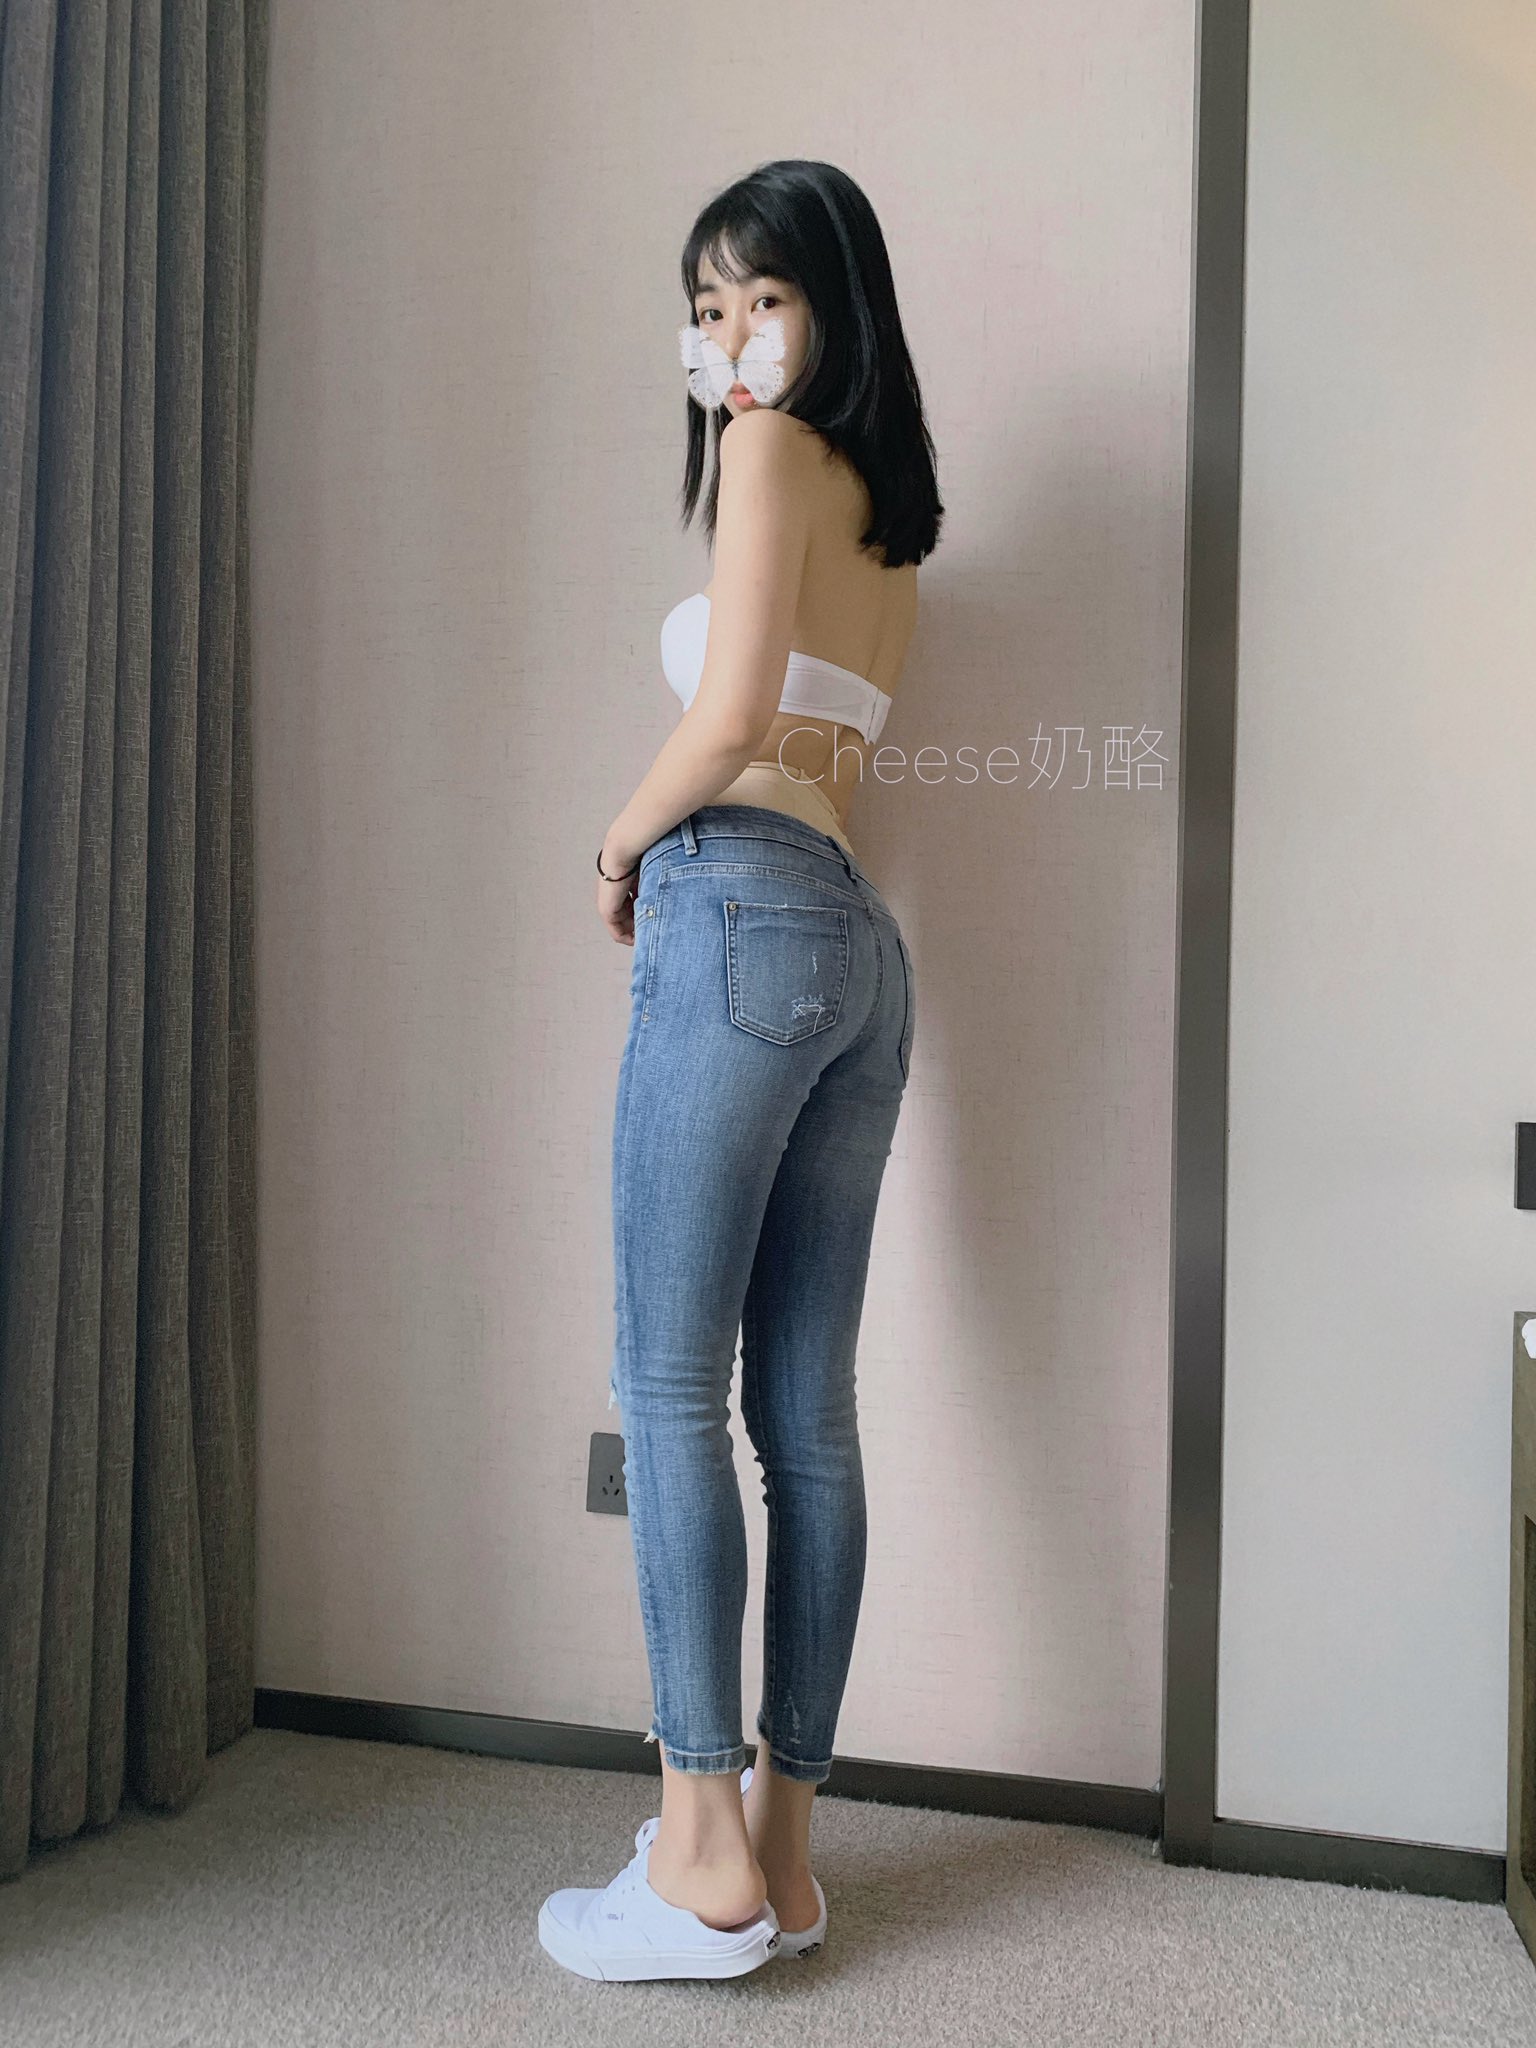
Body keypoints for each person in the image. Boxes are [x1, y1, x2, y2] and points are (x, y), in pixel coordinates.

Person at [538, 158, 944, 1984]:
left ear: (832, 303)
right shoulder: (895, 523)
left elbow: (727, 721)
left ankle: (696, 1850)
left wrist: (618, 845)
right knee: (810, 1419)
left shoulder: (771, 454)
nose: (727, 342)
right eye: (705, 312)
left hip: (741, 907)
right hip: (861, 950)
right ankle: (782, 1851)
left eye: (759, 298)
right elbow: (823, 739)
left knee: (669, 1385)